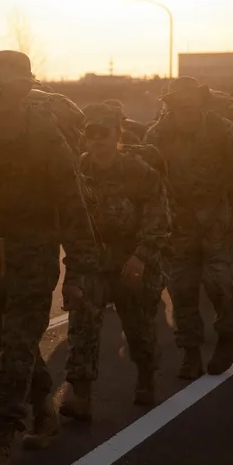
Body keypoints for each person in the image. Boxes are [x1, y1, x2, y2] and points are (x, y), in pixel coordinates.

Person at [0, 50, 99, 465]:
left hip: (35, 254)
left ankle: (1, 438)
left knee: (18, 345)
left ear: (23, 91)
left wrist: (77, 273)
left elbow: (73, 207)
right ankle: (45, 410)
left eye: (1, 85)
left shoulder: (45, 136)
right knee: (13, 341)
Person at [61, 103, 170, 417]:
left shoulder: (139, 172)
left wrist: (141, 257)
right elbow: (71, 218)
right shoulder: (80, 170)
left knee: (138, 328)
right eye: (89, 133)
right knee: (81, 325)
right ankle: (80, 393)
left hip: (132, 260)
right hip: (93, 261)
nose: (96, 140)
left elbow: (159, 220)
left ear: (117, 135)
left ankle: (146, 377)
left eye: (103, 133)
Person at [145, 77, 233, 378]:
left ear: (200, 102)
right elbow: (148, 186)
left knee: (220, 283)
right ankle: (190, 352)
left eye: (191, 104)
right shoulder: (157, 135)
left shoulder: (222, 130)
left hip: (217, 222)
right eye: (180, 105)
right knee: (182, 291)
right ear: (170, 106)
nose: (186, 111)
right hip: (176, 226)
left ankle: (228, 334)